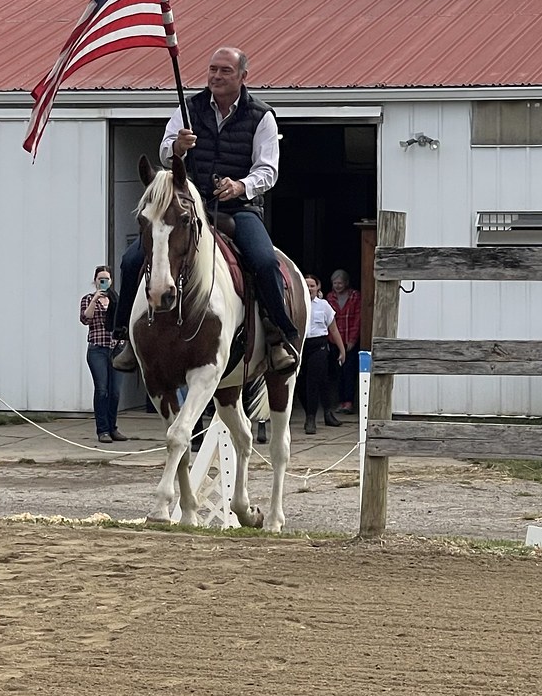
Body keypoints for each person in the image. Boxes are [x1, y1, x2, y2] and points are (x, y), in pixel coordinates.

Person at [112, 45, 299, 375]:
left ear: (243, 76)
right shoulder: (189, 107)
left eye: (225, 70)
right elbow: (166, 151)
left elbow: (268, 169)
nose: (216, 76)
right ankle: (125, 337)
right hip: (189, 205)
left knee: (264, 259)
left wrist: (241, 185)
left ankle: (277, 335)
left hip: (239, 207)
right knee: (130, 259)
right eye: (213, 69)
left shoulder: (261, 115)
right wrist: (177, 148)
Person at [80, 265, 127, 443]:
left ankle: (113, 427)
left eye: (106, 279)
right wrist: (96, 299)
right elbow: (85, 319)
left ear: (111, 281)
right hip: (97, 349)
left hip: (116, 349)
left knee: (114, 391)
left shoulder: (116, 300)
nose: (104, 282)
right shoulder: (88, 299)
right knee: (102, 390)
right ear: (95, 281)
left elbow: (124, 321)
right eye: (100, 279)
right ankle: (103, 430)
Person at [296, 274, 346, 435]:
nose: (309, 288)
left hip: (319, 346)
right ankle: (322, 412)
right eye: (306, 285)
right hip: (301, 346)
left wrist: (342, 349)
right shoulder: (295, 303)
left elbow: (333, 329)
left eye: (312, 285)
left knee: (315, 381)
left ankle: (311, 419)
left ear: (318, 288)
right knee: (300, 383)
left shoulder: (324, 305)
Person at [326, 269, 361, 413]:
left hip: (349, 340)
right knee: (337, 372)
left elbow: (358, 319)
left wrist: (352, 340)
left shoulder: (355, 296)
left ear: (346, 283)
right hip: (334, 341)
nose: (337, 286)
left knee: (349, 371)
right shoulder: (329, 297)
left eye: (340, 283)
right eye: (335, 283)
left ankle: (348, 402)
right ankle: (340, 401)